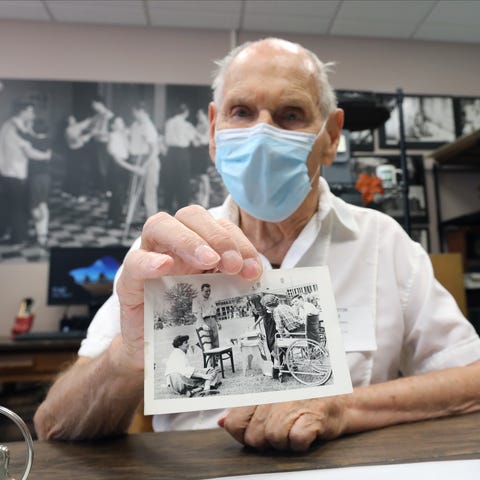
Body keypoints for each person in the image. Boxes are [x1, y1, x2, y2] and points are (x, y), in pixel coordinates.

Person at [34, 37, 480, 451]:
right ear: (213, 130)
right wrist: (128, 356)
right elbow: (52, 426)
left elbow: (471, 381)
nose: (262, 135)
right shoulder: (164, 253)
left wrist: (344, 407)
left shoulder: (384, 244)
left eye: (290, 115)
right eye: (242, 112)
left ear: (332, 136)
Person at [0, 101, 51, 245]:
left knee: (11, 206)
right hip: (15, 172)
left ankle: (12, 233)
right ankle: (19, 237)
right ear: (22, 111)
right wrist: (46, 156)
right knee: (18, 208)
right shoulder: (14, 128)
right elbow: (28, 150)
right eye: (31, 112)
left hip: (8, 171)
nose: (33, 115)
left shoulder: (8, 125)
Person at [163, 103, 198, 212]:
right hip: (182, 153)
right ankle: (182, 206)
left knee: (170, 179)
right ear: (186, 112)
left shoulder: (169, 123)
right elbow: (195, 141)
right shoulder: (186, 125)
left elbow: (166, 139)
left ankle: (168, 205)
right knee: (183, 180)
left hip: (170, 152)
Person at [128, 102, 160, 219]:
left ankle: (154, 222)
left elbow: (154, 151)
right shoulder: (135, 125)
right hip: (137, 160)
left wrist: (145, 165)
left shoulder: (149, 127)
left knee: (149, 194)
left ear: (142, 111)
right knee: (134, 191)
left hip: (149, 161)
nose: (134, 115)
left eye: (135, 112)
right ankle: (133, 218)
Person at [192, 283, 220, 349]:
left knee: (216, 343)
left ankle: (216, 359)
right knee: (207, 345)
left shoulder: (212, 300)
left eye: (209, 291)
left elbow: (215, 312)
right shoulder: (197, 300)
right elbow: (198, 314)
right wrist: (203, 324)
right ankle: (210, 359)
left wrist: (218, 322)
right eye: (206, 291)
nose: (208, 292)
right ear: (201, 291)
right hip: (203, 321)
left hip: (212, 320)